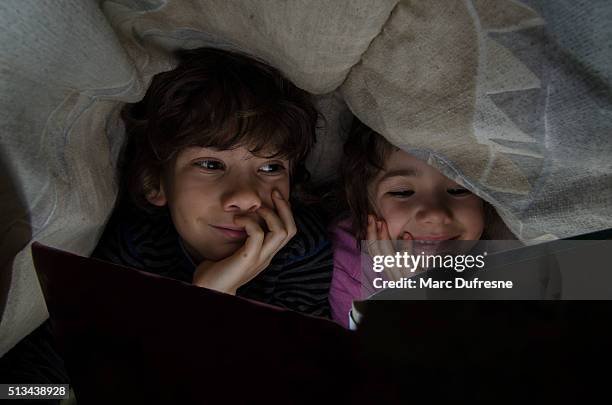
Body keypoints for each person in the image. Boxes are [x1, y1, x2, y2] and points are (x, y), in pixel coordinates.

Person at [92, 47, 333, 317]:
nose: (247, 197)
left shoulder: (300, 252)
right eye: (210, 165)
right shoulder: (136, 247)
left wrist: (213, 299)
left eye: (270, 167)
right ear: (154, 182)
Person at [328, 118, 523, 328]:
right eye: (402, 192)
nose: (436, 214)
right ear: (363, 204)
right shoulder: (349, 267)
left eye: (459, 190)